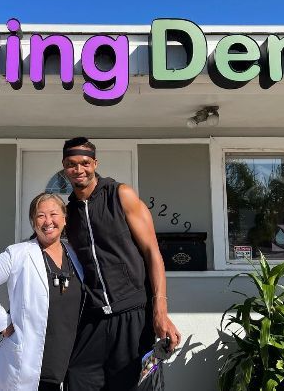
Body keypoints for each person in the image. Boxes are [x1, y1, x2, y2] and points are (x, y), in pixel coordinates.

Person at [62, 137, 181, 391]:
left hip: (132, 312)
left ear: (95, 163)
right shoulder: (68, 212)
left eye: (84, 162)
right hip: (93, 316)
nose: (79, 169)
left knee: (131, 385)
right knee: (76, 376)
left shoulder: (120, 194)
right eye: (72, 164)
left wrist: (160, 311)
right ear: (64, 168)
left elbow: (153, 252)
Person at [0, 193, 84, 391]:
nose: (48, 221)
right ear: (32, 222)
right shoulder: (18, 254)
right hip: (36, 361)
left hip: (72, 358)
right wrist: (1, 322)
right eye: (40, 216)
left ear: (64, 218)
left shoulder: (74, 253)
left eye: (54, 214)